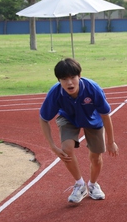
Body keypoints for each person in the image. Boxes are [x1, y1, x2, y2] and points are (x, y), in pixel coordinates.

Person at [39, 58, 119, 204]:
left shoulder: (92, 88)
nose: (69, 82)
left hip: (92, 119)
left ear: (79, 76)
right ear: (59, 80)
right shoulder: (55, 93)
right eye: (64, 79)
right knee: (66, 149)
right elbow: (43, 119)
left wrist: (111, 141)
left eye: (72, 77)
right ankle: (80, 185)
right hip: (68, 118)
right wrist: (52, 146)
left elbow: (106, 115)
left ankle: (93, 185)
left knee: (96, 157)